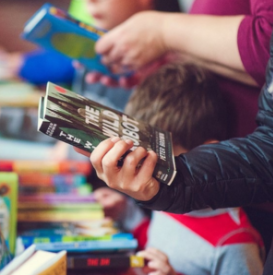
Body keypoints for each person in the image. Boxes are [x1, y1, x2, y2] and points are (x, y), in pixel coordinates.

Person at [75, 0, 273, 272]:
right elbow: (159, 240)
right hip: (223, 177)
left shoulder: (234, 243)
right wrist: (155, 193)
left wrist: (163, 32)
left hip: (249, 191)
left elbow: (272, 59)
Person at [0, 0, 179, 142]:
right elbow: (75, 124)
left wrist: (8, 119)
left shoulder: (165, 70)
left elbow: (130, 140)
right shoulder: (94, 50)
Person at [94, 62, 264, 275]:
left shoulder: (234, 244)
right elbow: (160, 246)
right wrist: (128, 215)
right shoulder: (164, 196)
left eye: (156, 163)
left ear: (208, 155)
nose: (144, 173)